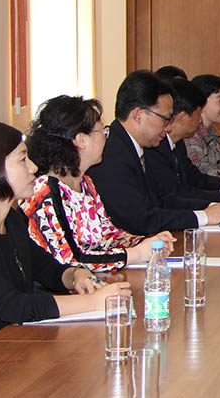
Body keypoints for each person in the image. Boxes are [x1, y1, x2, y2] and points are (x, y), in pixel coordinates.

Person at [0, 122, 131, 358]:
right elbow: (12, 306)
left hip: (13, 347)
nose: (34, 167)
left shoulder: (12, 220)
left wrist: (76, 276)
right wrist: (94, 302)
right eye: (22, 160)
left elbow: (47, 269)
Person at [23, 95, 176, 272]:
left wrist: (148, 242)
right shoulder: (45, 192)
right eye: (103, 132)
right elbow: (71, 259)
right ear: (81, 140)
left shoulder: (86, 183)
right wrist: (136, 254)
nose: (106, 138)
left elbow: (108, 235)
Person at [88, 70, 220, 235]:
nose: (168, 128)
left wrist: (212, 209)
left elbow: (164, 199)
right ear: (138, 115)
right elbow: (141, 220)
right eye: (165, 119)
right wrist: (204, 216)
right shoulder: (112, 155)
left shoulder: (135, 145)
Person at [146, 78, 220, 207]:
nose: (200, 121)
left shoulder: (177, 143)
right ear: (182, 117)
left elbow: (196, 178)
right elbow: (177, 195)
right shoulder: (155, 148)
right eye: (198, 114)